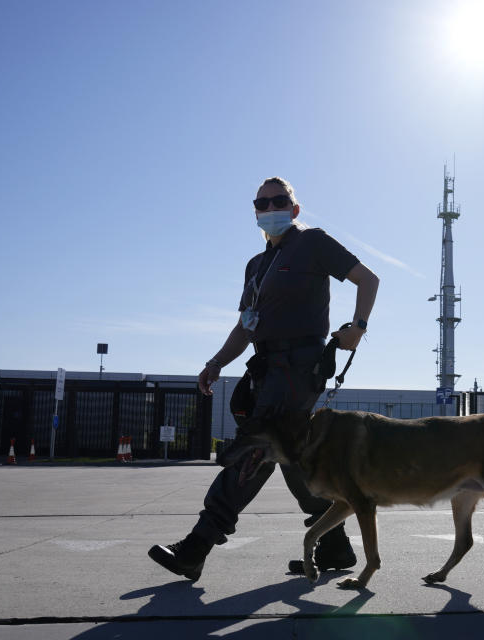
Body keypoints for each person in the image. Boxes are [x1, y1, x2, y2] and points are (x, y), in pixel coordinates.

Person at [148, 176, 379, 580]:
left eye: (278, 200)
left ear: (294, 208)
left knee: (254, 451)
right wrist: (216, 362)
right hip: (266, 370)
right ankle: (337, 547)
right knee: (294, 461)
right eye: (261, 203)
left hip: (300, 368)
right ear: (255, 211)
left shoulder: (313, 242)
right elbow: (245, 326)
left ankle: (197, 546)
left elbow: (368, 279)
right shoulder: (255, 266)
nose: (269, 208)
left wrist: (358, 327)